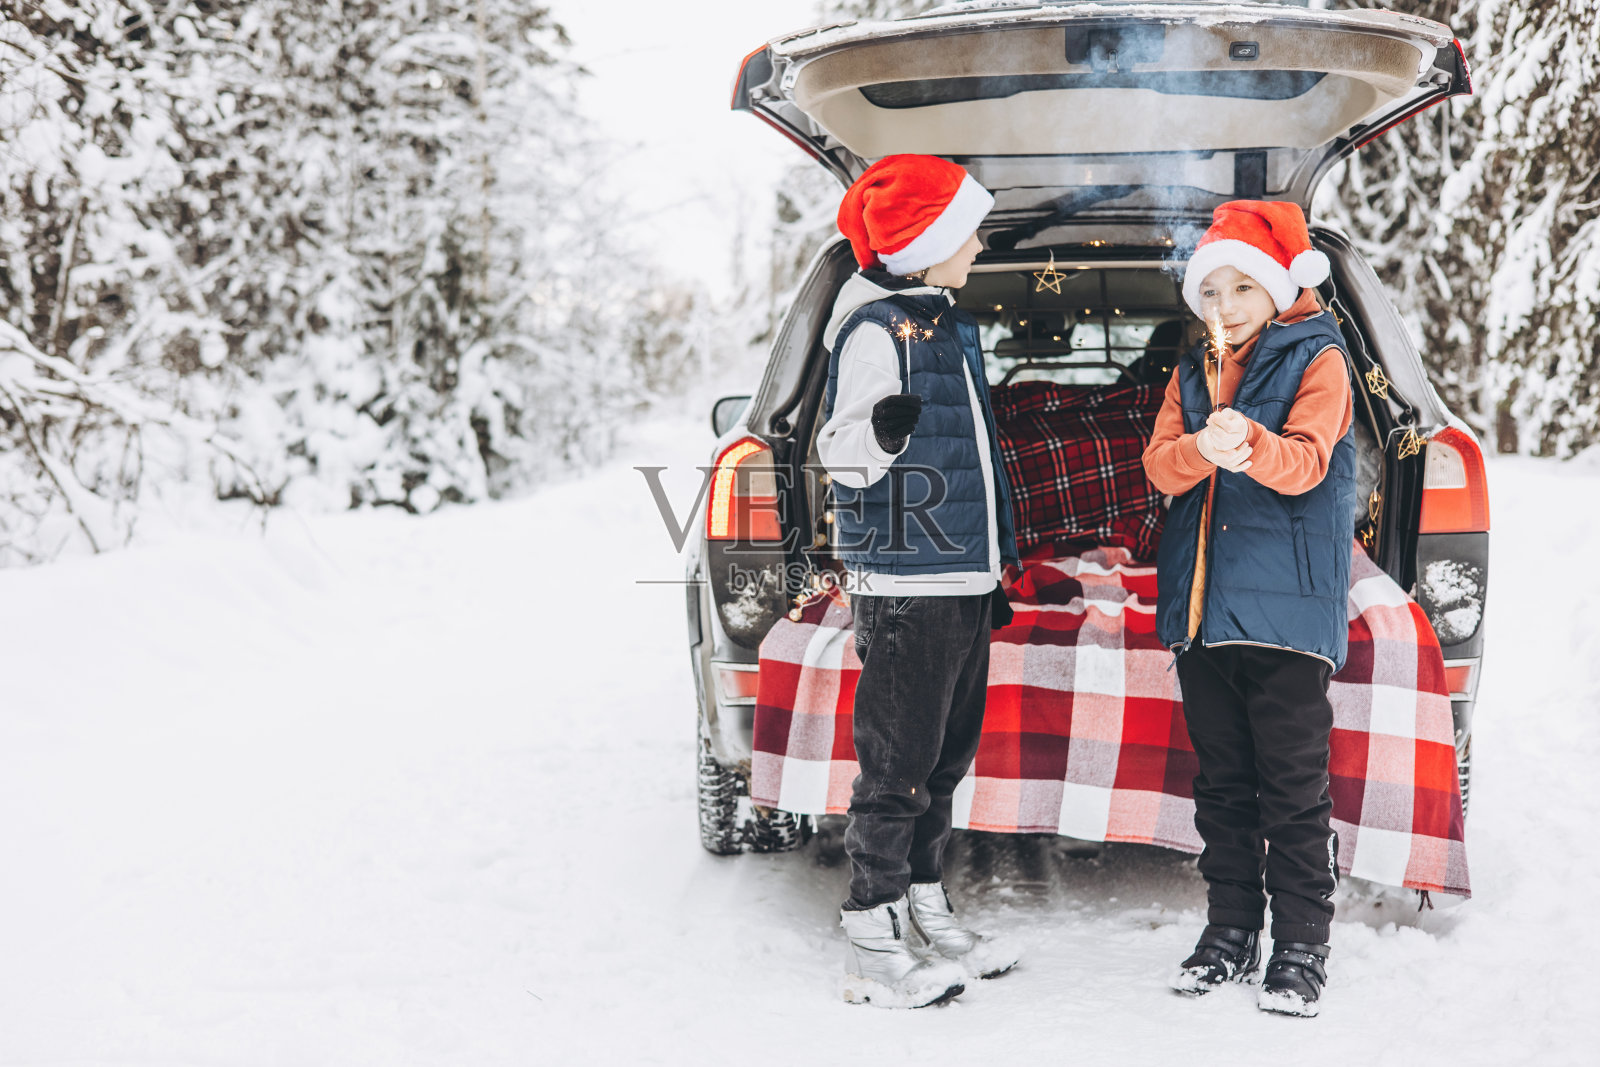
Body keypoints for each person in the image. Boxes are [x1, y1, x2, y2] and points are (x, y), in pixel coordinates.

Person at [1141, 200, 1356, 1018]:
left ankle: (1302, 941)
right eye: (1211, 292)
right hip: (1200, 613)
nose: (1224, 306)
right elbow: (1162, 467)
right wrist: (1201, 449)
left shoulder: (1319, 356)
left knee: (1293, 787)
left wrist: (1251, 447)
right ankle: (1230, 929)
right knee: (1224, 785)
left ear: (1275, 288)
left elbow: (1306, 463)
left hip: (1285, 618)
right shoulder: (1194, 368)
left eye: (1240, 288)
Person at [817, 154, 1022, 1008]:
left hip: (958, 574)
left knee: (943, 756)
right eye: (966, 231)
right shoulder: (875, 331)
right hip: (908, 573)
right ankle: (872, 926)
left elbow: (973, 459)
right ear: (925, 242)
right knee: (897, 762)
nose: (977, 244)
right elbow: (841, 452)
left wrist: (988, 565)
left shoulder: (944, 323)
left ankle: (926, 903)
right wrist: (883, 437)